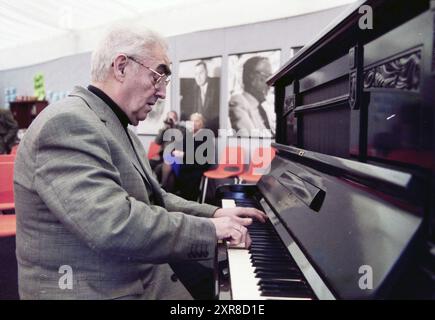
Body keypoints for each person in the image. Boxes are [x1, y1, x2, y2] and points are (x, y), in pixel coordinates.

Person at [13, 23, 267, 300]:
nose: (161, 93)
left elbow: (156, 199)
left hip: (138, 277)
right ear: (121, 67)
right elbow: (113, 224)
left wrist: (214, 215)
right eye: (158, 76)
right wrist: (210, 231)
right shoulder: (67, 123)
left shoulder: (119, 128)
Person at [229, 56, 273, 135]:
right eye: (267, 76)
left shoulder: (264, 108)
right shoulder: (238, 101)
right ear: (251, 76)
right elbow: (249, 138)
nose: (270, 84)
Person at [174, 113, 214, 201]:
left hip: (200, 164)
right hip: (188, 162)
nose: (194, 123)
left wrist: (184, 154)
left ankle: (190, 201)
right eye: (192, 121)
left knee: (190, 176)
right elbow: (181, 147)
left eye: (197, 121)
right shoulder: (188, 134)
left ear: (201, 123)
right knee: (175, 169)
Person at [181, 61, 220, 136]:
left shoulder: (216, 89)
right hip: (196, 133)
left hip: (211, 132)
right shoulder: (193, 90)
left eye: (201, 73)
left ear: (207, 73)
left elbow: (217, 115)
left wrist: (203, 123)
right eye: (196, 74)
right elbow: (187, 112)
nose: (198, 77)